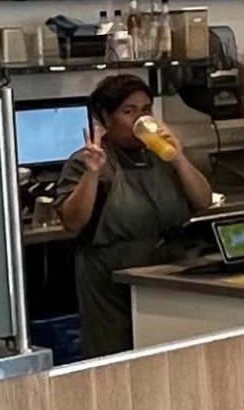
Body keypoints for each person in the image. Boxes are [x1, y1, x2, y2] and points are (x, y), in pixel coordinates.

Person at [55, 70, 215, 358]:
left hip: (166, 273)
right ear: (105, 118)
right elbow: (72, 221)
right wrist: (92, 175)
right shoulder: (87, 160)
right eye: (128, 111)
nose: (140, 119)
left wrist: (178, 158)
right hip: (111, 279)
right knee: (118, 359)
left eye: (146, 110)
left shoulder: (161, 154)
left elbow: (203, 201)